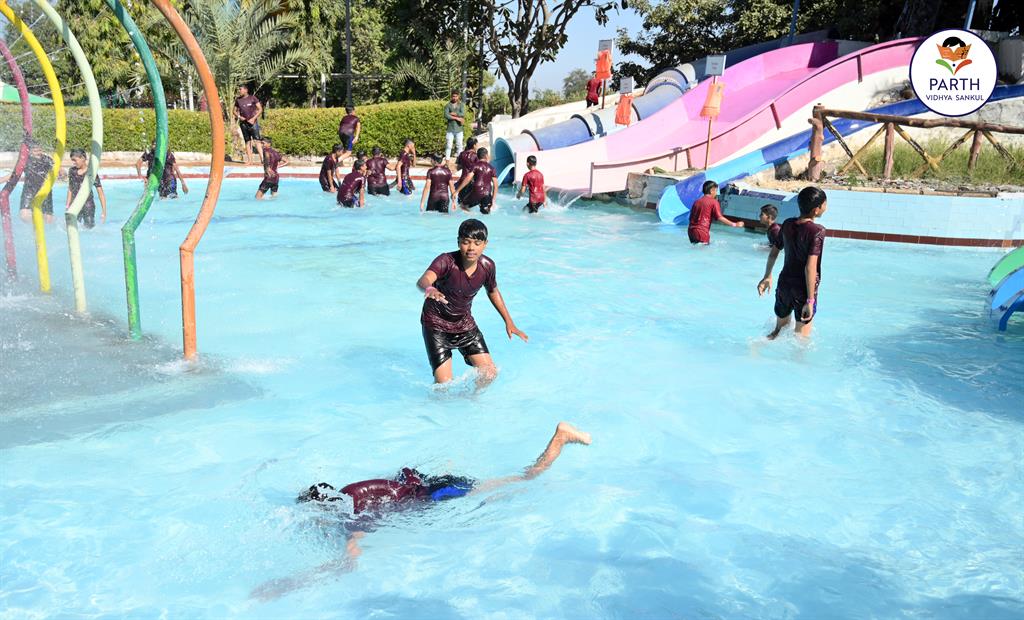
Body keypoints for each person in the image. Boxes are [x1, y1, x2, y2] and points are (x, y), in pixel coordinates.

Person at [249, 421, 591, 602]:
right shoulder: (349, 492)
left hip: (438, 492)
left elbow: (349, 564)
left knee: (524, 479)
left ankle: (560, 438)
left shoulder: (353, 517)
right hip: (421, 481)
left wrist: (284, 586)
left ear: (324, 510)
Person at [416, 218, 527, 384]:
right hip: (436, 325)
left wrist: (508, 321)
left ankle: (471, 397)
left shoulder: (487, 266)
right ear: (458, 242)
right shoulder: (446, 261)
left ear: (485, 244)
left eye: (477, 243)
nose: (471, 248)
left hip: (464, 324)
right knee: (443, 384)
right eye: (466, 242)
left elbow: (493, 291)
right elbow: (424, 280)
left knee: (489, 374)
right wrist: (430, 288)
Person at [757, 186, 828, 340]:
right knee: (801, 340)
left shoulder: (787, 224)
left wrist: (767, 276)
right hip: (803, 289)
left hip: (784, 285)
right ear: (816, 209)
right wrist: (810, 300)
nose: (826, 207)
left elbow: (773, 253)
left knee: (777, 333)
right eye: (825, 204)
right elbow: (810, 267)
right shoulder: (817, 231)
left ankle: (758, 345)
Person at [65, 148, 106, 229]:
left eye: (75, 160)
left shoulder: (91, 173)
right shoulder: (72, 171)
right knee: (72, 227)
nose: (73, 162)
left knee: (89, 228)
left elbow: (100, 192)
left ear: (83, 158)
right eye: (72, 160)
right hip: (75, 204)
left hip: (88, 205)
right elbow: (70, 189)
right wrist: (67, 206)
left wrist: (104, 211)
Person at [18, 142, 55, 224]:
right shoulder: (26, 160)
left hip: (45, 191)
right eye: (35, 151)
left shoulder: (47, 159)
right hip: (29, 191)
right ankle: (34, 224)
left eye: (40, 150)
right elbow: (16, 173)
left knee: (48, 221)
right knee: (24, 216)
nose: (38, 153)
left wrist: (61, 173)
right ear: (30, 152)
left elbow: (58, 171)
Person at [454, 147, 497, 215]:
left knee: (462, 206)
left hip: (476, 191)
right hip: (487, 193)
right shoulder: (492, 168)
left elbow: (468, 179)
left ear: (477, 156)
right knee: (486, 212)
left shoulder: (475, 166)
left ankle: (472, 215)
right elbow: (495, 186)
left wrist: (456, 191)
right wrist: (493, 200)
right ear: (486, 156)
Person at [234, 85, 264, 165]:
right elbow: (234, 111)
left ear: (246, 90)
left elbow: (260, 109)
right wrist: (239, 117)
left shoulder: (253, 98)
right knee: (247, 142)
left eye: (240, 89)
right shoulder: (238, 100)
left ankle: (262, 159)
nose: (239, 91)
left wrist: (253, 118)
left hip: (253, 123)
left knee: (257, 141)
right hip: (243, 124)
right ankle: (250, 161)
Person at [454, 137, 478, 205]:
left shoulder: (461, 154)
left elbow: (458, 168)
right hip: (471, 181)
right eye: (477, 144)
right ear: (474, 145)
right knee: (469, 204)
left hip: (462, 181)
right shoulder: (476, 156)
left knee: (461, 203)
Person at [443, 91, 466, 159]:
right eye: (453, 96)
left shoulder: (461, 105)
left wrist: (454, 114)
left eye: (456, 96)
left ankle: (459, 160)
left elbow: (462, 114)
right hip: (450, 129)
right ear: (451, 96)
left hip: (459, 129)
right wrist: (457, 118)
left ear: (458, 97)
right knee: (448, 146)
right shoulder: (448, 105)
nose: (454, 98)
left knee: (459, 146)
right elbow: (446, 115)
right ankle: (447, 160)